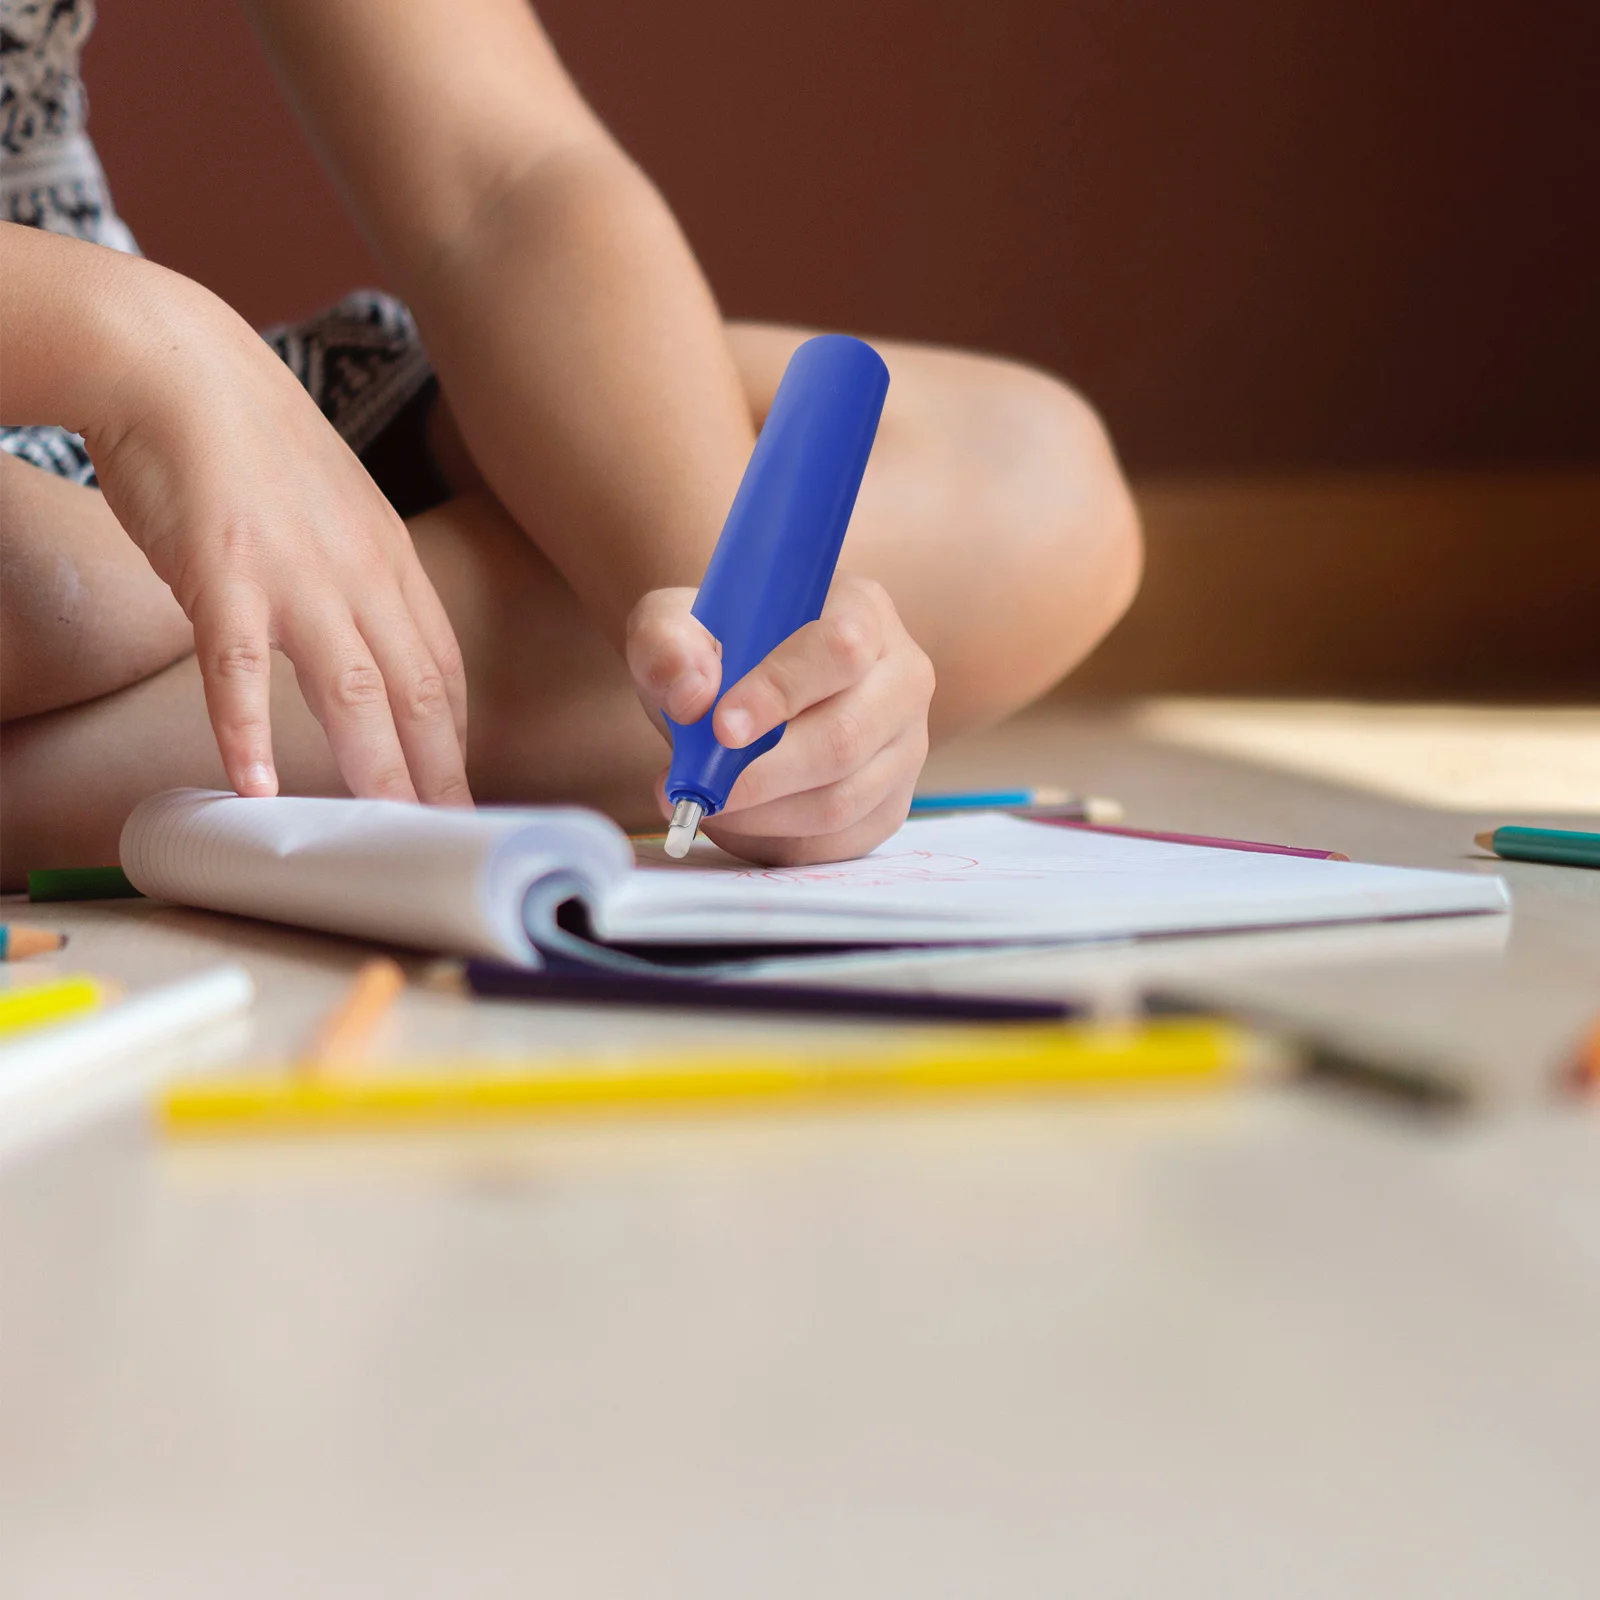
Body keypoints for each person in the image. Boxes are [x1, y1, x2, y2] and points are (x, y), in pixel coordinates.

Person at [0, 0, 1140, 887]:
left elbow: (501, 186)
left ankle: (83, 743)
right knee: (56, 583)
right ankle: (158, 683)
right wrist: (134, 342)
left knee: (1026, 483)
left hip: (162, 406)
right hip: (109, 362)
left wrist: (731, 640)